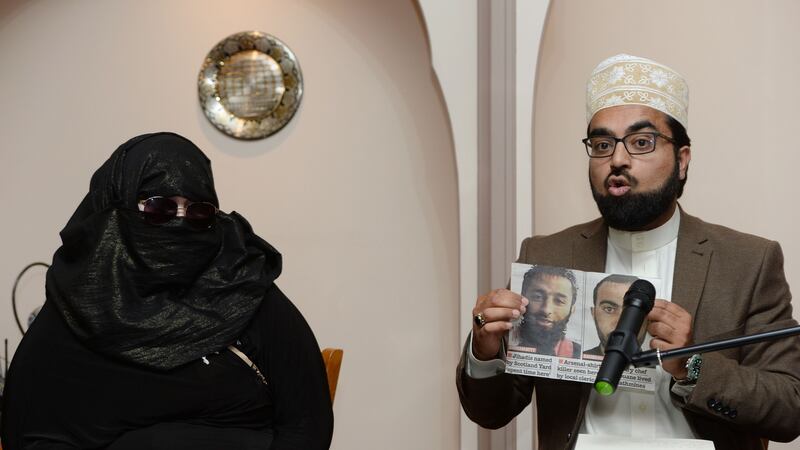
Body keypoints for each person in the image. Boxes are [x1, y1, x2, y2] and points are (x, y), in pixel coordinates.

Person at [457, 54, 800, 449]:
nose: (617, 159)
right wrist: (484, 350)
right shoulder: (547, 255)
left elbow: (789, 408)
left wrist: (693, 366)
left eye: (641, 142)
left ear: (682, 160)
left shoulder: (747, 261)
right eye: (602, 144)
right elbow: (490, 412)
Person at [0, 132, 333, 450]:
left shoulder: (240, 286)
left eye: (199, 213)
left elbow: (307, 423)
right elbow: (29, 429)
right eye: (160, 209)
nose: (180, 224)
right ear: (116, 209)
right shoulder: (77, 308)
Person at [515, 266, 581, 358]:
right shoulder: (504, 341)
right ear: (522, 299)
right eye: (537, 297)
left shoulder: (579, 353)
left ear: (572, 309)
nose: (546, 310)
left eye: (559, 301)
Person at [582, 274, 639, 360]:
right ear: (593, 313)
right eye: (609, 309)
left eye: (632, 312)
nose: (620, 323)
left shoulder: (661, 367)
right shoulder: (581, 358)